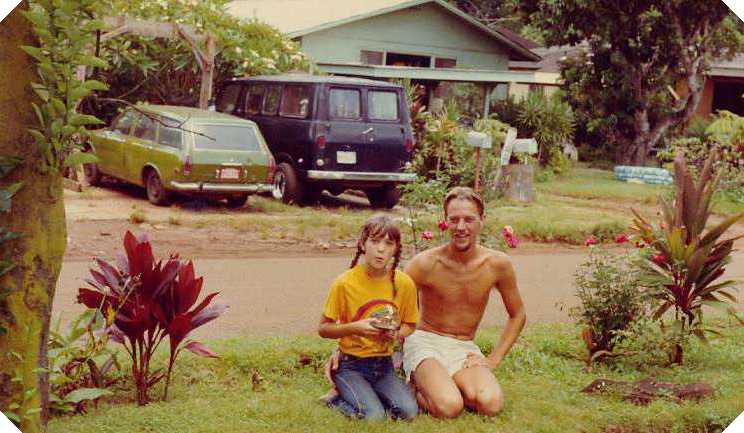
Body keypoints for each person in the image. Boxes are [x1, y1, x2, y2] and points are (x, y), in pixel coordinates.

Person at [402, 186, 526, 419]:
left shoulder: (497, 264)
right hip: (426, 343)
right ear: (445, 221)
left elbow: (518, 314)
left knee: (490, 404)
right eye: (454, 220)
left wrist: (493, 359)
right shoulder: (425, 263)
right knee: (449, 407)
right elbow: (388, 305)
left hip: (464, 348)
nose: (461, 227)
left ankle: (443, 383)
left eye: (469, 220)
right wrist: (347, 350)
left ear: (482, 220)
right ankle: (417, 383)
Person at [318, 215, 419, 421]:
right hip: (350, 365)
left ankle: (368, 394)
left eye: (388, 243)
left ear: (396, 249)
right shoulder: (344, 283)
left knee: (408, 412)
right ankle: (336, 399)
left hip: (384, 365)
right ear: (363, 244)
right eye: (374, 241)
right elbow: (323, 329)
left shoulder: (404, 283)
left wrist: (396, 335)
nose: (380, 249)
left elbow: (410, 324)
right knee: (374, 418)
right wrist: (355, 327)